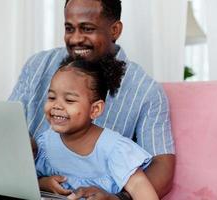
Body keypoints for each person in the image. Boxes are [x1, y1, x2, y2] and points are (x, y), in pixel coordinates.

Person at [9, 0, 175, 199]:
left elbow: (162, 165)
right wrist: (38, 181)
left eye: (87, 28)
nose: (76, 39)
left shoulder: (146, 91)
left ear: (115, 30)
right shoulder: (38, 65)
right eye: (69, 28)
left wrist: (117, 198)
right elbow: (7, 127)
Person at [35, 56, 159, 200]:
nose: (56, 105)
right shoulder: (45, 143)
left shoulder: (114, 148)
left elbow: (140, 188)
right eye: (51, 97)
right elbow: (26, 180)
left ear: (95, 109)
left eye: (69, 100)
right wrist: (43, 183)